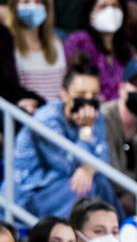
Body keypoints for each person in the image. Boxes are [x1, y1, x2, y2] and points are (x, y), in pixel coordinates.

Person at [6, 61, 119, 218]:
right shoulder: (46, 120)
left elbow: (104, 158)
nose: (88, 102)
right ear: (64, 94)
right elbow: (68, 165)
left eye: (94, 95)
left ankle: (121, 229)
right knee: (84, 187)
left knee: (99, 182)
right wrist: (85, 131)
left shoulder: (96, 116)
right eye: (81, 95)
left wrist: (89, 169)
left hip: (62, 188)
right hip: (29, 195)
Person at [63, 0, 131, 102]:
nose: (110, 11)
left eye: (115, 6)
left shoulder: (127, 48)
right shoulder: (78, 41)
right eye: (103, 6)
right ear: (89, 12)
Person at [6, 0, 66, 104]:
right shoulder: (8, 45)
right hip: (25, 113)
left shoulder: (56, 44)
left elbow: (62, 87)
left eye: (38, 1)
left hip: (56, 111)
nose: (33, 6)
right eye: (26, 2)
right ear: (14, 7)